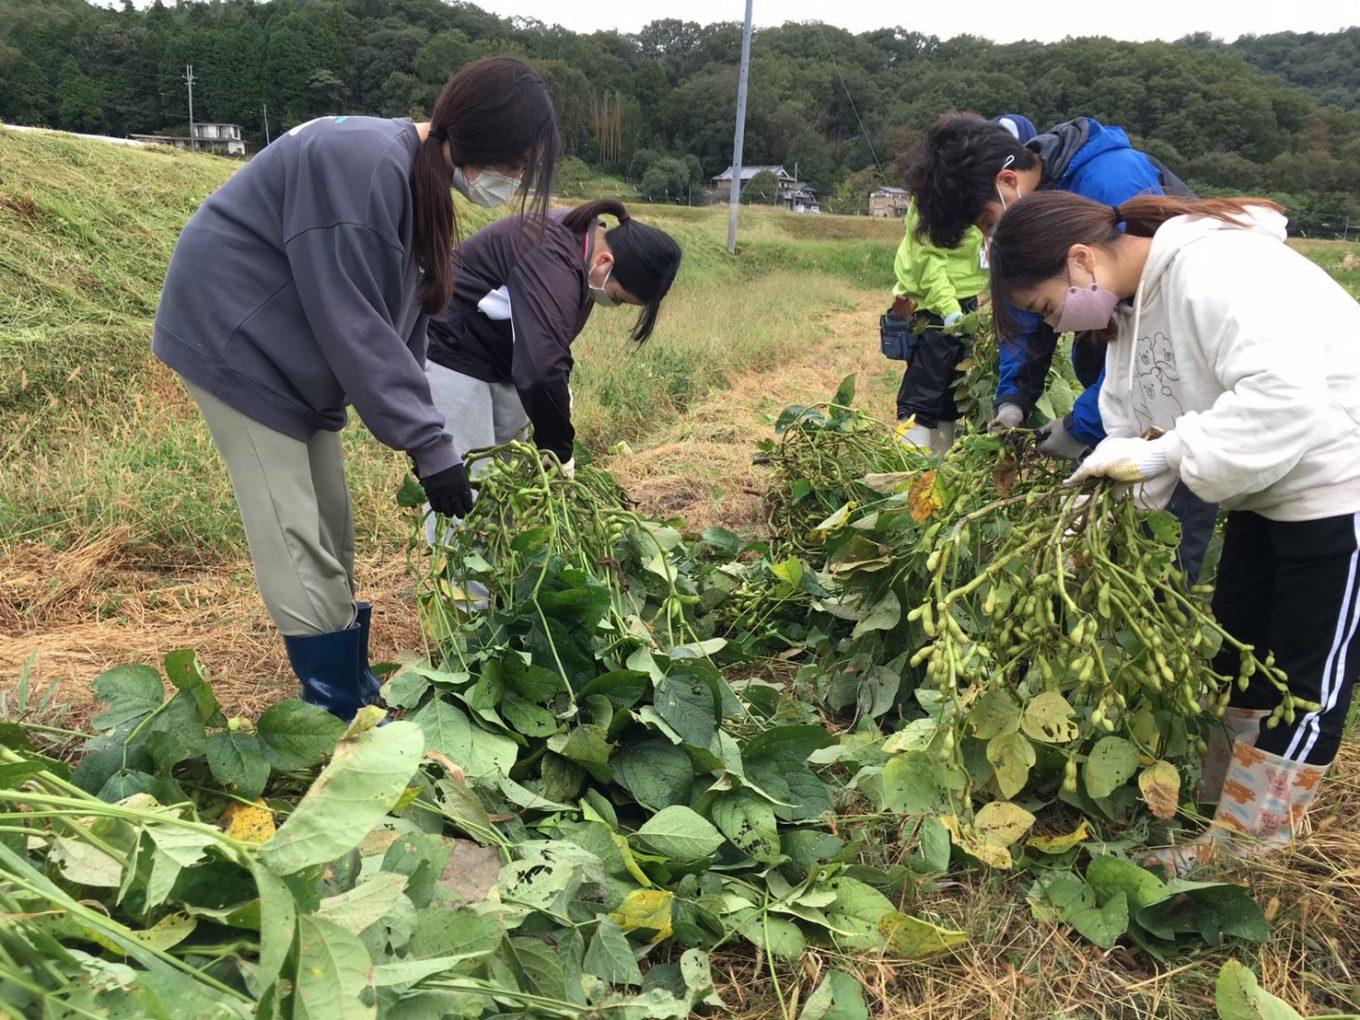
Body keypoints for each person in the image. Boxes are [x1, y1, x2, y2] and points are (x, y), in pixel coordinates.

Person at [151, 57, 561, 720]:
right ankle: (334, 710)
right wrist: (431, 445)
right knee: (294, 528)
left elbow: (404, 326)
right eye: (512, 164)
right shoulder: (360, 160)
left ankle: (353, 681)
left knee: (333, 524)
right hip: (237, 340)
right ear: (477, 134)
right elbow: (355, 323)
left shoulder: (416, 181)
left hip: (298, 356)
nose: (510, 181)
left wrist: (433, 444)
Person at [988, 189, 1360, 872]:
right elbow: (1125, 432)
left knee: (1304, 678)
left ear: (1080, 260)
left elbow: (1287, 396)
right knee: (1239, 653)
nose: (1061, 324)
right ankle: (1222, 812)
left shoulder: (1216, 270)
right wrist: (1077, 525)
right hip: (1267, 490)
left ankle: (1245, 850)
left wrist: (1165, 454)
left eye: (1048, 307)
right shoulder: (1130, 316)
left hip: (1343, 481)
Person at [909, 112, 1217, 578]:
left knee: (1164, 525)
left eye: (985, 221)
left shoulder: (1111, 181)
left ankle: (1165, 601)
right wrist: (1013, 399)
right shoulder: (1039, 196)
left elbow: (1163, 355)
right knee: (1122, 510)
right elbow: (1030, 308)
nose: (989, 236)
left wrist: (1084, 421)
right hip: (1123, 377)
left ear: (1007, 182)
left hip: (1179, 397)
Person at [422, 197, 681, 548]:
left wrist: (559, 406)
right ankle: (463, 599)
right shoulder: (552, 251)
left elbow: (548, 343)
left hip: (502, 363)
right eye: (618, 298)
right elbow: (541, 367)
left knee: (511, 488)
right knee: (467, 493)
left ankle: (503, 594)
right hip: (453, 350)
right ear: (606, 261)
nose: (612, 304)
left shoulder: (585, 254)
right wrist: (560, 450)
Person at [887, 197, 988, 454]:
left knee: (950, 392)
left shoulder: (979, 193)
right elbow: (928, 265)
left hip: (964, 303)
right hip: (933, 307)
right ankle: (909, 468)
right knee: (923, 391)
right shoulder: (933, 199)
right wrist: (950, 310)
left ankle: (940, 468)